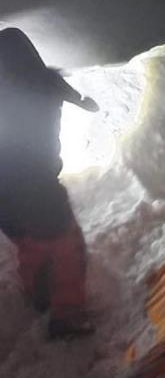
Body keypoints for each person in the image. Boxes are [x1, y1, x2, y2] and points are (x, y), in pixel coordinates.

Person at [0, 27, 99, 338]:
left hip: (5, 194)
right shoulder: (47, 83)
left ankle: (38, 295)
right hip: (39, 188)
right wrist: (86, 103)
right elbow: (76, 97)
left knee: (30, 244)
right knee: (68, 246)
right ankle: (67, 317)